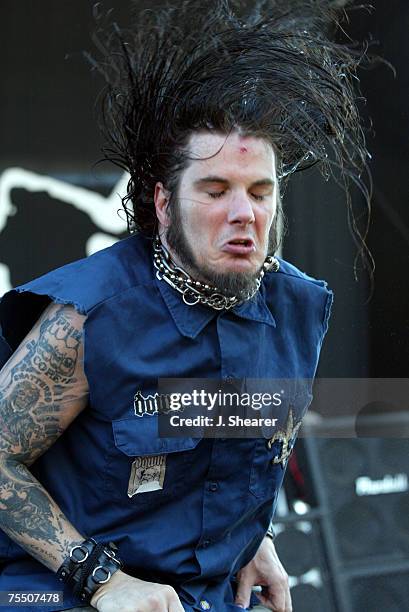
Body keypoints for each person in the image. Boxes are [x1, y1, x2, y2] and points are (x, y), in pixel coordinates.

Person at [0, 1, 371, 610]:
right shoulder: (94, 314)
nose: (243, 213)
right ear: (164, 204)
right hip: (66, 588)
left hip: (206, 590)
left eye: (260, 191)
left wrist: (253, 538)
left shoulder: (298, 309)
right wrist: (103, 581)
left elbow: (236, 455)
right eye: (215, 190)